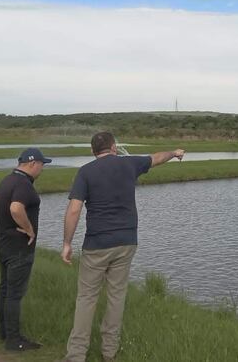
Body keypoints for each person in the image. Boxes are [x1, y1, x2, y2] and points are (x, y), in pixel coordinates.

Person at [61, 132, 185, 362]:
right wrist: (174, 153)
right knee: (116, 297)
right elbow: (156, 158)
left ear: (93, 151)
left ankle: (76, 355)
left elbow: (74, 210)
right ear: (114, 147)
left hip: (96, 244)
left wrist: (67, 243)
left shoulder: (85, 172)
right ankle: (109, 353)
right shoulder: (130, 164)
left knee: (87, 298)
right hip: (127, 242)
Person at [0, 147, 51, 351]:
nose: (42, 170)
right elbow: (16, 208)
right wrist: (29, 230)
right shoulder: (24, 184)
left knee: (4, 288)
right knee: (14, 294)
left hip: (3, 244)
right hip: (19, 249)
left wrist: (3, 220)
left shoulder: (8, 180)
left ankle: (2, 332)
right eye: (42, 165)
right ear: (33, 164)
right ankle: (14, 341)